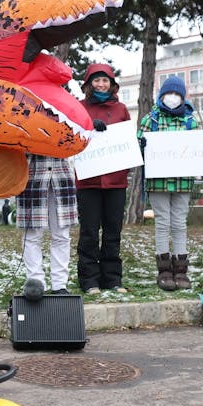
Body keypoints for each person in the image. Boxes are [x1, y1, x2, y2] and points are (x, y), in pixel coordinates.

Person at [138, 75, 203, 290]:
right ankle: (164, 271)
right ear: (162, 95)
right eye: (169, 93)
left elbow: (198, 148)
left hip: (182, 181)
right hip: (158, 182)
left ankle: (181, 270)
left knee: (179, 223)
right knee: (162, 223)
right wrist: (142, 143)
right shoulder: (150, 119)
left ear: (183, 97)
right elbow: (138, 145)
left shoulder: (190, 120)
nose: (173, 97)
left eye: (177, 94)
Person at [75, 63, 131, 294]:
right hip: (88, 180)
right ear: (88, 84)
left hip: (116, 180)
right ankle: (89, 279)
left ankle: (112, 278)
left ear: (112, 84)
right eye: (96, 80)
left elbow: (128, 140)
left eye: (105, 80)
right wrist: (88, 127)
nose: (101, 84)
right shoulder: (78, 107)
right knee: (89, 231)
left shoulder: (121, 109)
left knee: (112, 231)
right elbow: (73, 135)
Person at [17, 153, 77, 298]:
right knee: (31, 237)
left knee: (61, 236)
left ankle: (60, 284)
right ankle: (35, 282)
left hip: (61, 175)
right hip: (32, 175)